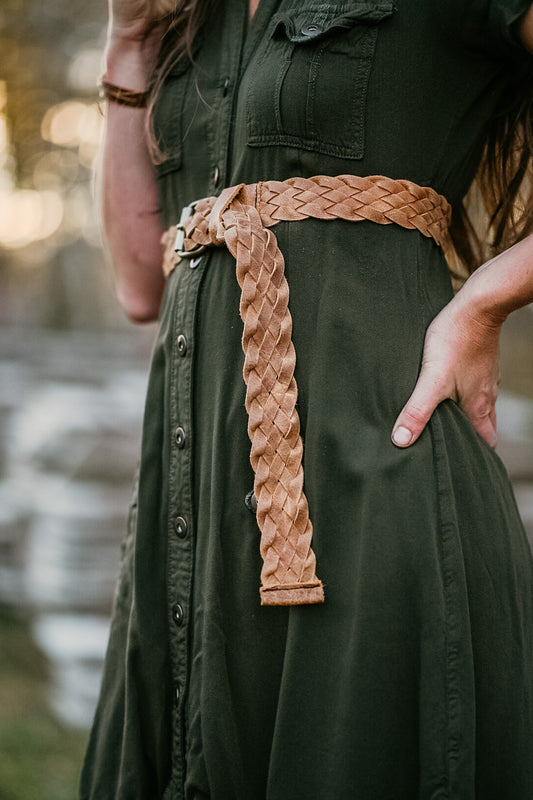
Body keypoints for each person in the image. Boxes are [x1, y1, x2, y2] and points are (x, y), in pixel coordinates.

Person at [80, 1, 533, 797]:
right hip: (193, 519)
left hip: (374, 480)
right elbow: (137, 281)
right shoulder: (185, 16)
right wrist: (126, 40)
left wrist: (485, 299)